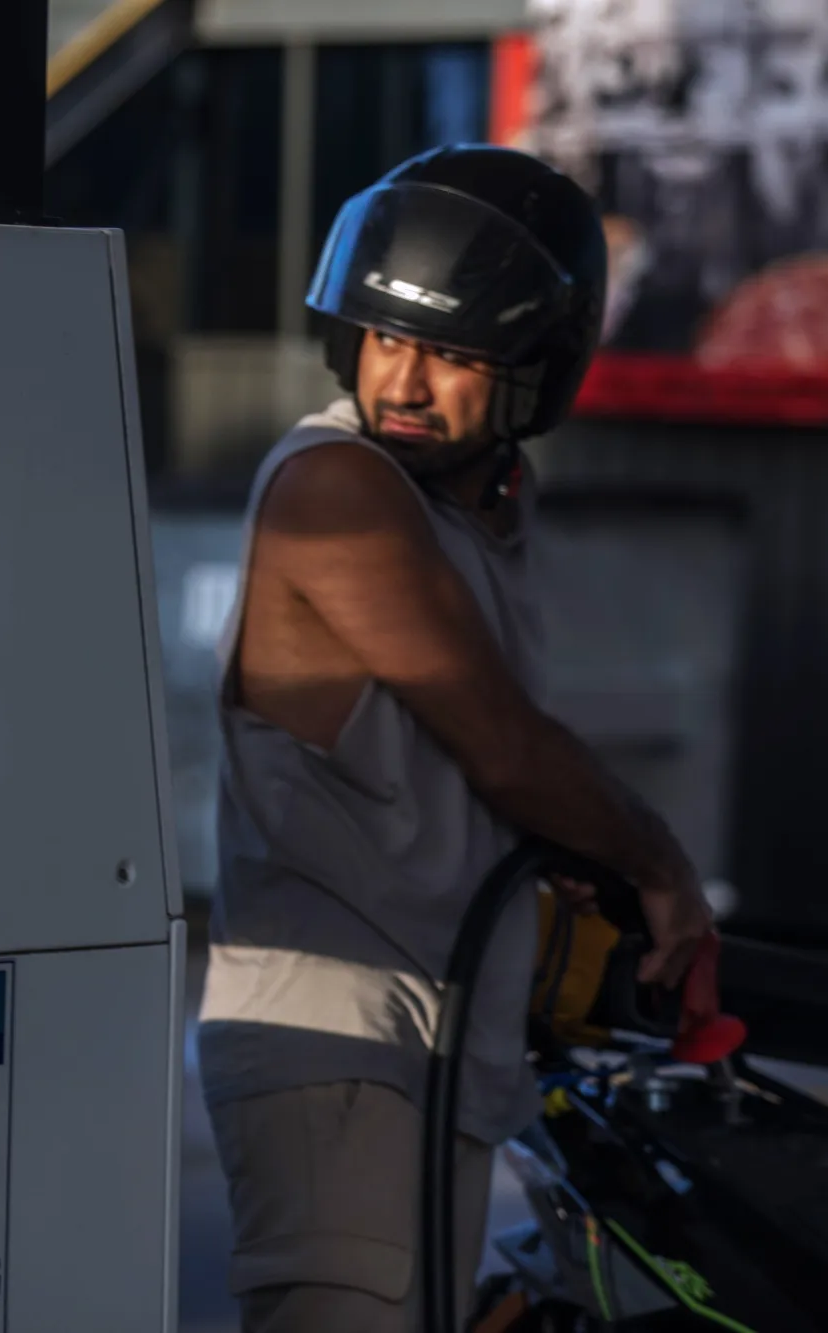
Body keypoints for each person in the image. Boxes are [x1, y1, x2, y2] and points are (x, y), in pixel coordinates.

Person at [196, 144, 714, 1332]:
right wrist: (658, 868)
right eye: (384, 338)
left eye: (453, 354)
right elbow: (508, 752)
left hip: (425, 1047)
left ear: (533, 374)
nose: (405, 382)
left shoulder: (471, 511)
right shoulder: (335, 484)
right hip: (333, 1044)